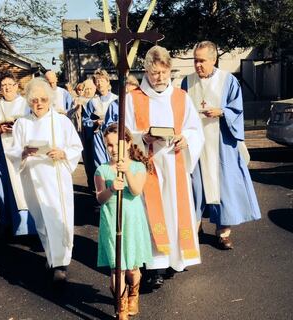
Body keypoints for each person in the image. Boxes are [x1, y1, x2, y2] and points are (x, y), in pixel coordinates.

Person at [125, 45, 205, 288]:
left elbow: (194, 129)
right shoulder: (133, 98)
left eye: (163, 72)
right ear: (146, 71)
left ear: (169, 69)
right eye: (153, 73)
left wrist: (186, 139)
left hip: (175, 162)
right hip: (148, 166)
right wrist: (142, 137)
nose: (159, 78)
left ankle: (175, 260)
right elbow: (126, 133)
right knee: (153, 214)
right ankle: (156, 266)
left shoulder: (181, 97)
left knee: (175, 211)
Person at [181, 40, 261, 249]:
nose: (197, 65)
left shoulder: (228, 81)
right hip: (195, 146)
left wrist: (221, 112)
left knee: (223, 188)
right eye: (195, 60)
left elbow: (237, 109)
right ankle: (195, 228)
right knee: (195, 187)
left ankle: (223, 232)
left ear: (214, 59)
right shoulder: (186, 82)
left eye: (202, 61)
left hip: (221, 143)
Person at [6, 77, 83, 282]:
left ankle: (61, 264)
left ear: (50, 100)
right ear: (28, 101)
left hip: (56, 176)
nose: (38, 103)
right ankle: (51, 257)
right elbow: (13, 151)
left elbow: (76, 147)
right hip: (33, 178)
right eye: (34, 100)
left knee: (59, 218)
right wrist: (23, 152)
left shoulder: (61, 121)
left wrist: (63, 153)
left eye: (42, 99)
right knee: (41, 220)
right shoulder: (22, 123)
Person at [94, 123, 153, 319]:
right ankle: (121, 309)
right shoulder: (101, 170)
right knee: (116, 268)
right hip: (112, 224)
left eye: (115, 145)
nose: (112, 149)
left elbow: (136, 190)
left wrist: (126, 171)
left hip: (133, 223)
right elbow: (100, 198)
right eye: (108, 145)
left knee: (133, 269)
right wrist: (111, 189)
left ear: (127, 143)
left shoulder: (138, 166)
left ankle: (133, 294)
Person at [0, 71, 36, 238]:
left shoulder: (26, 104)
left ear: (16, 86)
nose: (7, 88)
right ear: (0, 90)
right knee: (2, 189)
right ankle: (7, 224)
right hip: (1, 155)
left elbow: (35, 122)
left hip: (23, 154)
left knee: (24, 189)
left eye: (10, 85)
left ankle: (29, 228)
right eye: (3, 86)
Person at [82, 69, 118, 189]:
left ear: (108, 82)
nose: (99, 84)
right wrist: (94, 122)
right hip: (98, 137)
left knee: (116, 161)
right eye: (97, 81)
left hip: (113, 137)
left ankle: (116, 188)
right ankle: (103, 190)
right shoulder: (93, 102)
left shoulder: (116, 100)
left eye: (102, 80)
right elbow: (85, 120)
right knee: (101, 164)